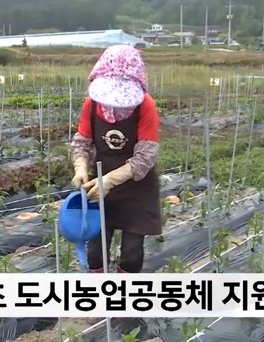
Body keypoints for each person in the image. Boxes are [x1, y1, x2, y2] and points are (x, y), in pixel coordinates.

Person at [70, 45, 162, 273]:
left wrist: (109, 181)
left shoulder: (145, 106)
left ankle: (124, 296)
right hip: (99, 183)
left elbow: (145, 156)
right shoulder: (91, 105)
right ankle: (99, 295)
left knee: (132, 252)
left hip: (136, 186)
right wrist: (81, 168)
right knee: (96, 250)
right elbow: (83, 142)